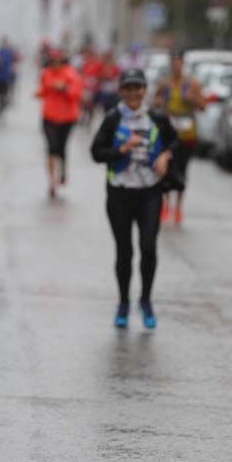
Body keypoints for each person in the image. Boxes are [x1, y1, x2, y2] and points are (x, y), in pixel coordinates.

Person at [91, 68, 178, 329]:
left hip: (150, 192)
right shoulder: (113, 118)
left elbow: (175, 142)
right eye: (128, 88)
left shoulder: (157, 118)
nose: (133, 93)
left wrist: (164, 156)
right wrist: (120, 150)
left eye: (137, 87)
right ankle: (123, 303)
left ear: (144, 90)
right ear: (121, 91)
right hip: (119, 193)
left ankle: (146, 300)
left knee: (148, 246)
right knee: (125, 251)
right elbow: (96, 152)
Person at [153, 50, 205, 224]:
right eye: (173, 62)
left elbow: (203, 106)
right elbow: (155, 101)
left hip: (187, 133)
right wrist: (159, 102)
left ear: (183, 64)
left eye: (179, 62)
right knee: (165, 167)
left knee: (182, 169)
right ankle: (165, 204)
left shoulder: (192, 84)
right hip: (168, 133)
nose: (176, 66)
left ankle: (178, 206)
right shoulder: (165, 83)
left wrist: (193, 99)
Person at [36, 49, 82, 198]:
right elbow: (42, 91)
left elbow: (76, 94)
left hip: (67, 118)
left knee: (62, 148)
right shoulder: (46, 73)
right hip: (49, 116)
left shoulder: (71, 74)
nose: (55, 65)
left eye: (58, 61)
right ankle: (52, 181)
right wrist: (40, 92)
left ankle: (63, 172)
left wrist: (64, 88)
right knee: (51, 148)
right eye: (52, 61)